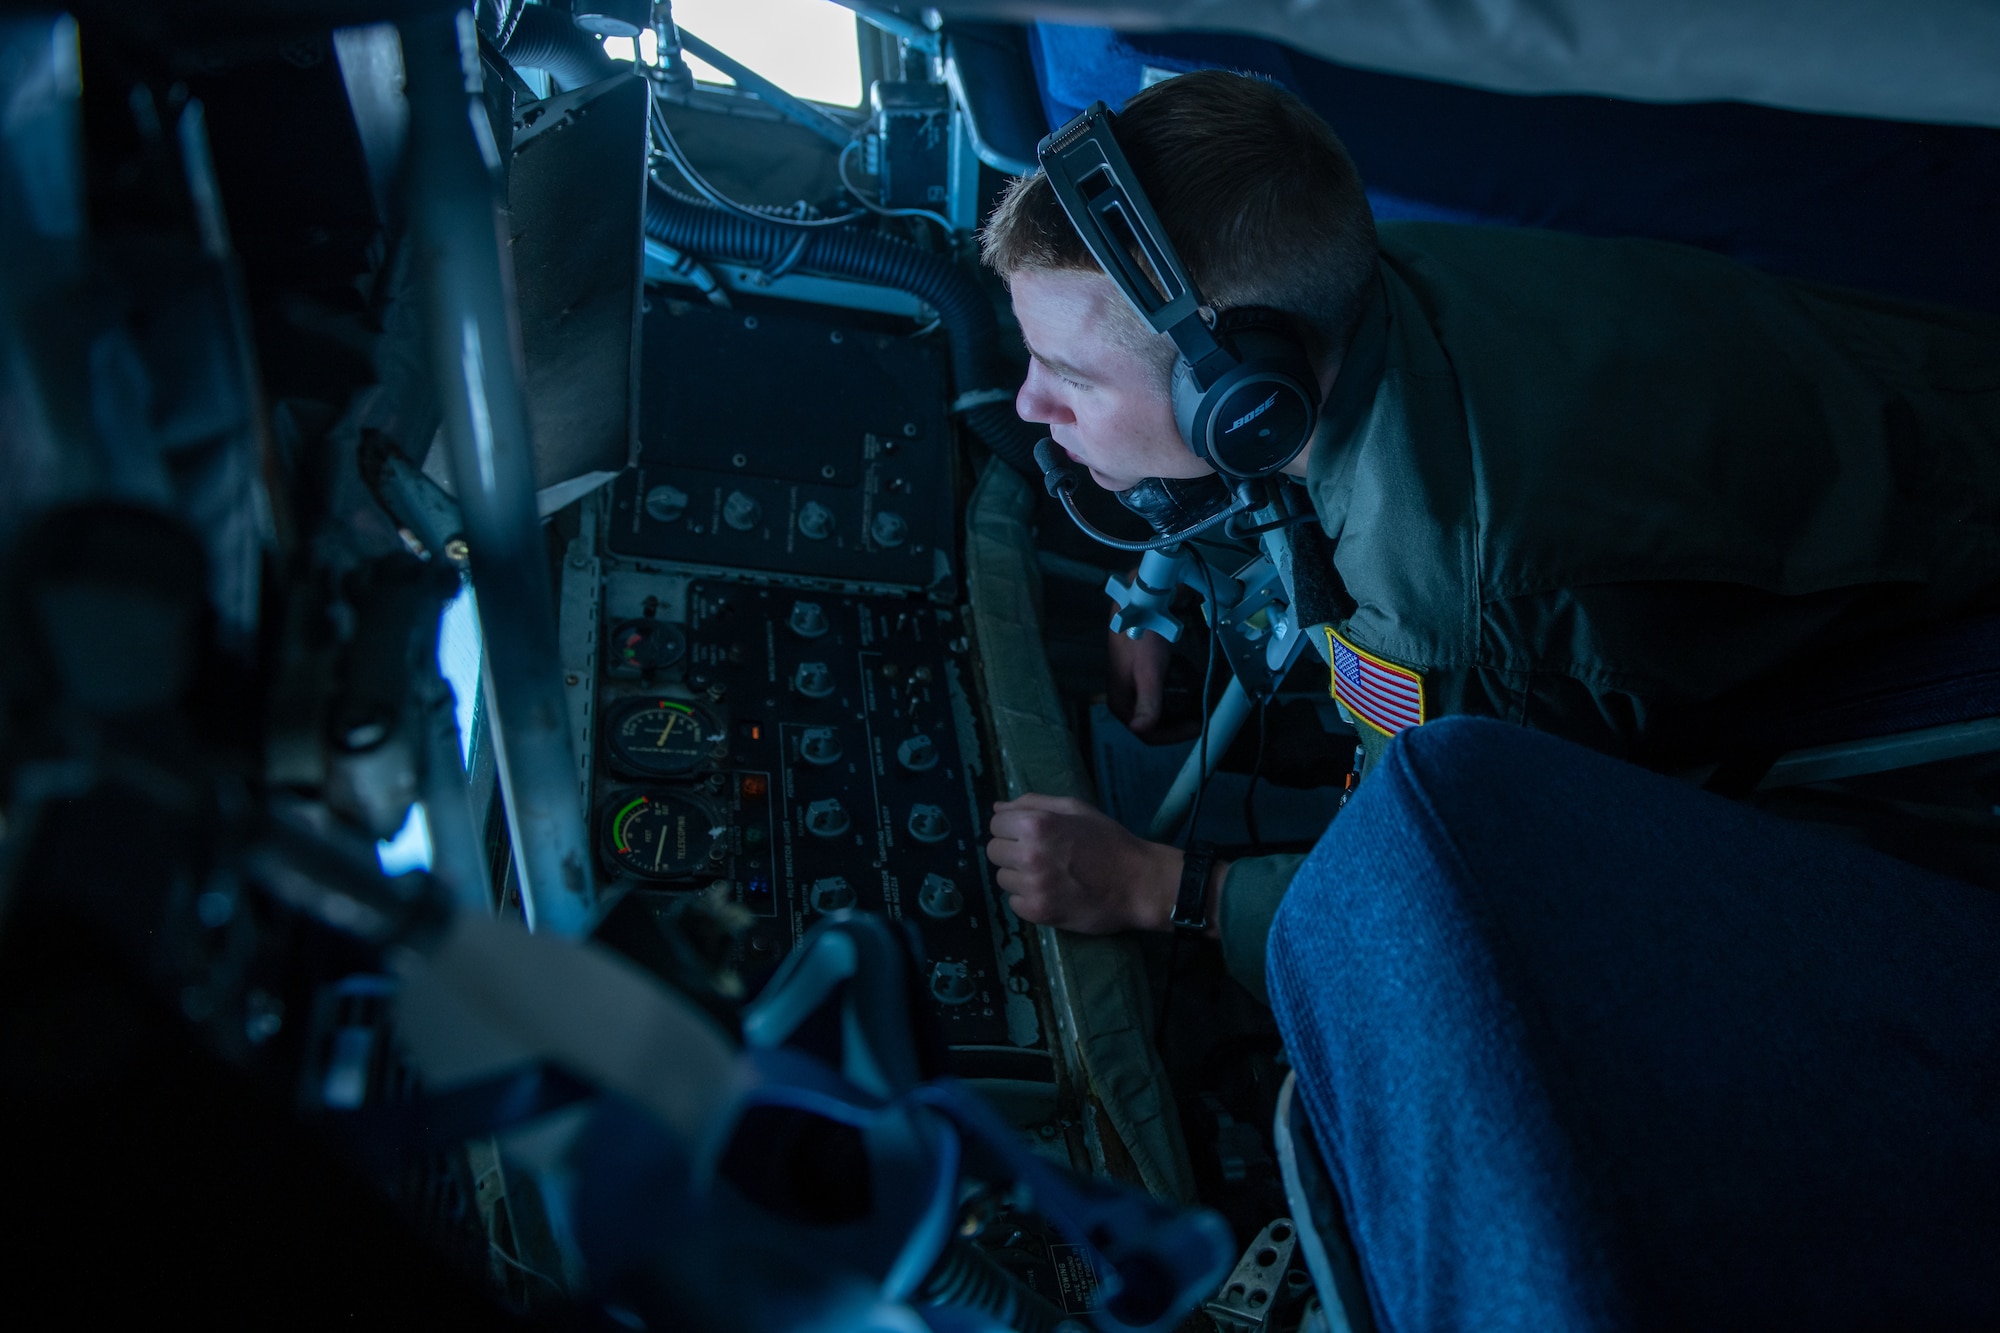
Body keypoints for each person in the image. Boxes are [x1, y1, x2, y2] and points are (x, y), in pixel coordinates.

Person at [979, 69, 2000, 1002]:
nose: (1030, 403)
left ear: (1241, 398)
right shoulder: (1371, 286)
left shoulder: (1447, 613)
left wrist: (1152, 886)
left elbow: (1441, 891)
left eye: (1066, 378)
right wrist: (1163, 589)